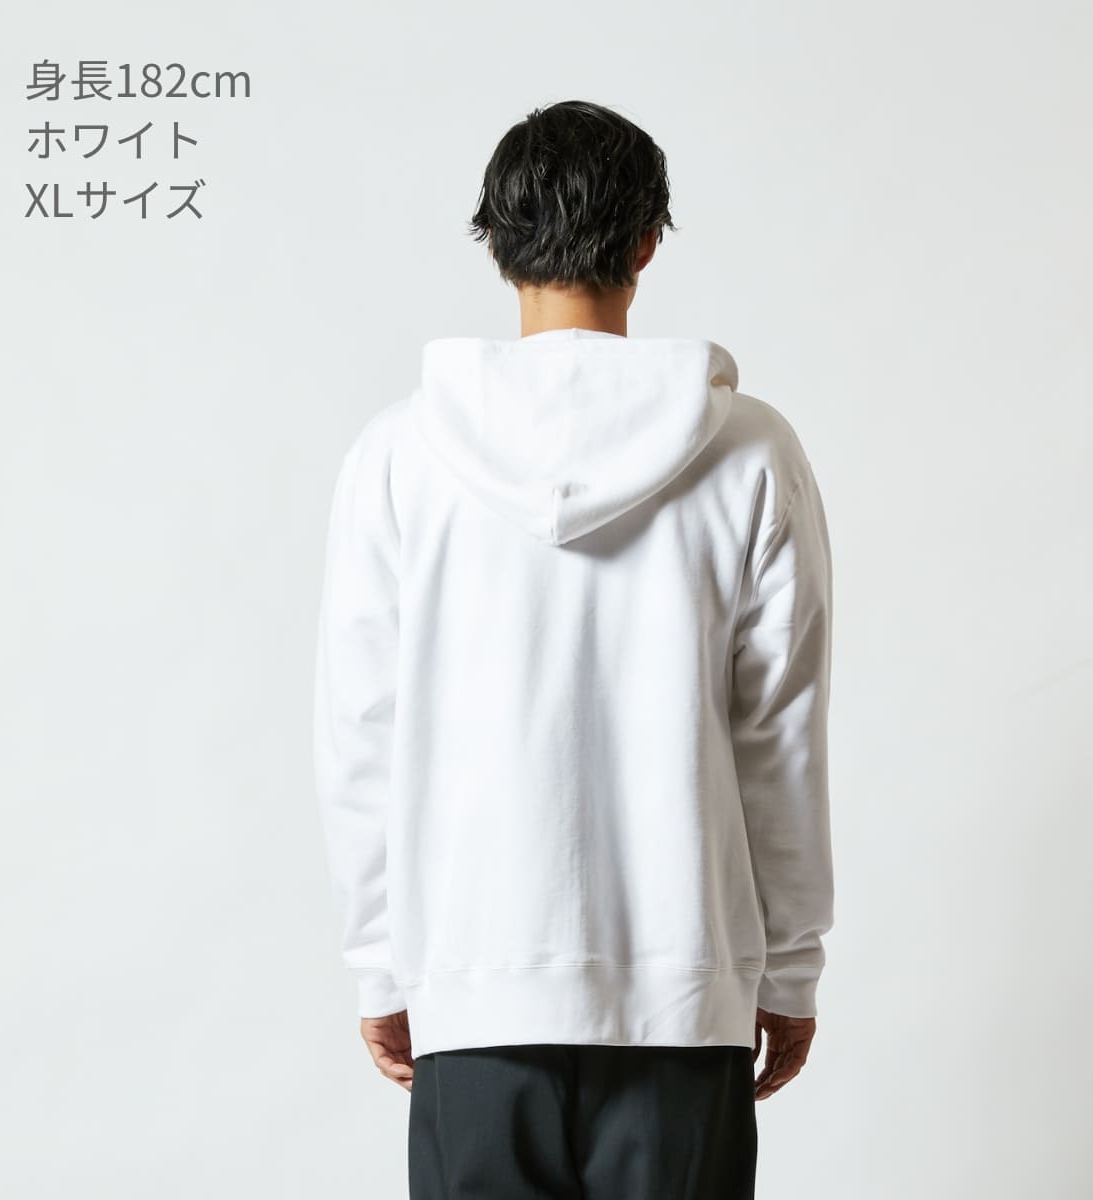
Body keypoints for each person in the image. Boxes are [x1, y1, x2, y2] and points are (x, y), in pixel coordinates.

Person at [312, 98, 835, 1199]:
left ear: (496, 244)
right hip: (683, 996)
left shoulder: (398, 456)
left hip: (474, 987)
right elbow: (780, 736)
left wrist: (381, 962)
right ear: (647, 244)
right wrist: (788, 968)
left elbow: (362, 729)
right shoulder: (751, 452)